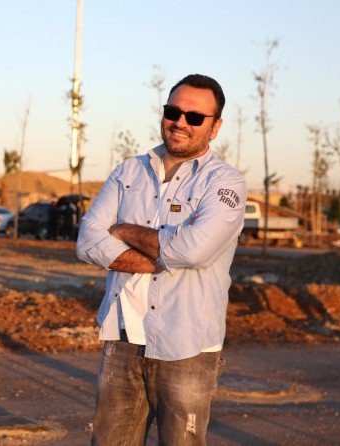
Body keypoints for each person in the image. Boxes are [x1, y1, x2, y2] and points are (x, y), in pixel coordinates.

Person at [76, 74, 246, 445]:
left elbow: (195, 250)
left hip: (187, 345)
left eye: (195, 117)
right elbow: (87, 240)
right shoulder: (128, 171)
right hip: (122, 341)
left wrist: (122, 229)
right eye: (173, 111)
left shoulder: (225, 184)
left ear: (215, 127)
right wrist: (160, 257)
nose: (180, 122)